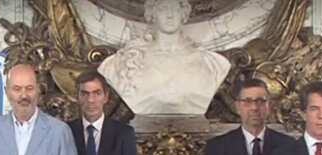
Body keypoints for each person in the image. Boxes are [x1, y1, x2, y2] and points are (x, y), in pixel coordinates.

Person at [97, 0, 231, 115]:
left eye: (175, 9)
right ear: (152, 14)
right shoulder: (125, 61)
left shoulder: (212, 63)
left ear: (184, 14)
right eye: (163, 9)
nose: (170, 15)